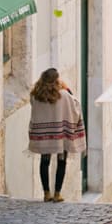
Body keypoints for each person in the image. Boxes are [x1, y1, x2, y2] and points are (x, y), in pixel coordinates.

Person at [28, 68, 86, 202]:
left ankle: (46, 193)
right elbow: (76, 107)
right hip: (61, 135)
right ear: (56, 80)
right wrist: (68, 89)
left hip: (44, 135)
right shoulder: (64, 95)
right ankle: (57, 194)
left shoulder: (35, 95)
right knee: (61, 161)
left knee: (44, 162)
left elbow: (34, 106)